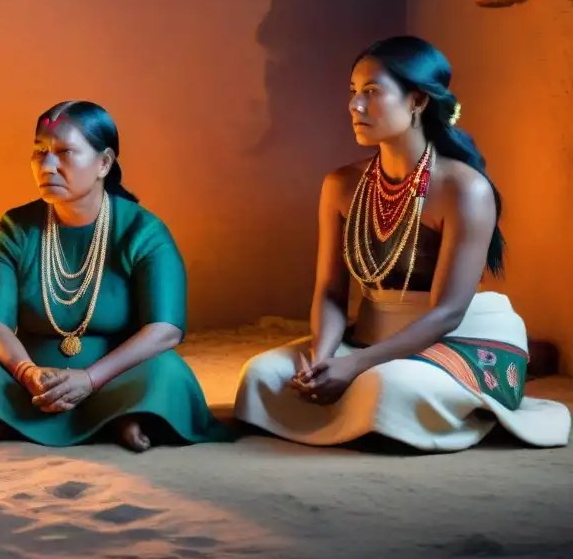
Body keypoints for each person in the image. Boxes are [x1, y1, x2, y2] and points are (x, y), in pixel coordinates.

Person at [234, 36, 571, 451]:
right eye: (353, 92)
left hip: (455, 336)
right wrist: (324, 357)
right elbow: (331, 291)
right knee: (259, 377)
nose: (355, 106)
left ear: (417, 101)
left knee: (381, 387)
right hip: (371, 333)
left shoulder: (464, 189)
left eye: (372, 92)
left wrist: (354, 364)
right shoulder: (340, 185)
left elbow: (447, 313)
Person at [0, 100, 231, 452]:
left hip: (116, 375)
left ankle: (17, 421)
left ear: (104, 163)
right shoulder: (13, 230)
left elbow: (165, 330)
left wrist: (89, 379)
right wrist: (27, 373)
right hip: (30, 378)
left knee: (166, 373)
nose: (48, 166)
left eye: (65, 152)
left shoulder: (143, 231)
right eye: (40, 152)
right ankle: (112, 421)